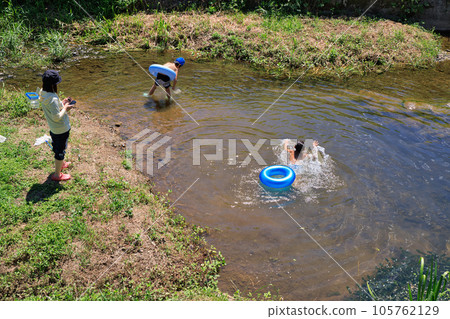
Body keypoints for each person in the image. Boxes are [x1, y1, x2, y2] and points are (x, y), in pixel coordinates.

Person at [40, 70, 74, 181]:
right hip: (61, 129)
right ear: (53, 84)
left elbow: (52, 108)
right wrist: (65, 108)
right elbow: (57, 117)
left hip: (54, 128)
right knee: (60, 151)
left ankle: (62, 163)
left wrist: (61, 103)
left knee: (57, 146)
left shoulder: (43, 93)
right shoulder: (52, 99)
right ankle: (57, 174)